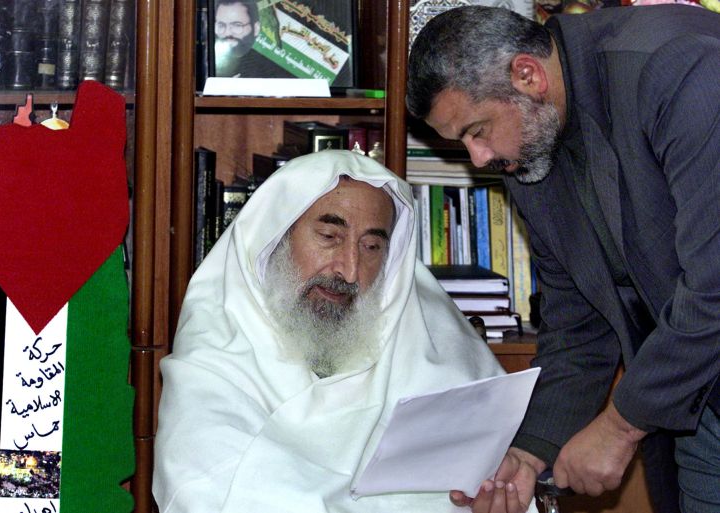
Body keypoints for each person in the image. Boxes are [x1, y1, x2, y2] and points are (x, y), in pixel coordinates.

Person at [407, 4, 720, 513]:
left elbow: (715, 285)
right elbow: (578, 319)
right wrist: (530, 452)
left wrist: (619, 427)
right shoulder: (531, 146)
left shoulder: (678, 69)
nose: (478, 159)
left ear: (527, 75)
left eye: (476, 130)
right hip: (698, 400)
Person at [152, 150, 521, 513]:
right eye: (329, 236)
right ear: (274, 238)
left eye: (372, 246)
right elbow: (205, 493)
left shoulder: (438, 351)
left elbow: (485, 481)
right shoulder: (213, 360)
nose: (349, 268)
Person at [213, 0, 292, 78]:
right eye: (221, 25)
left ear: (256, 28)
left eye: (237, 25)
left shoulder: (273, 69)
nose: (227, 33)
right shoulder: (213, 63)